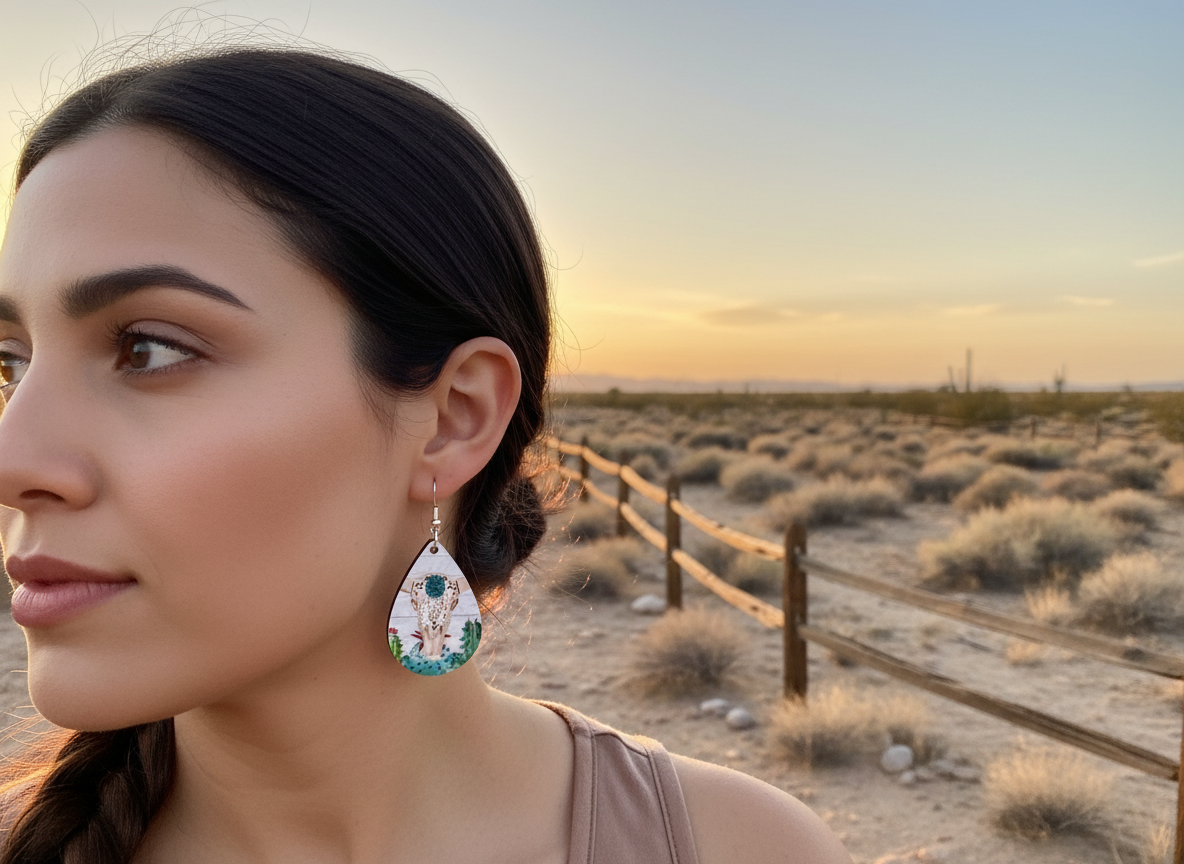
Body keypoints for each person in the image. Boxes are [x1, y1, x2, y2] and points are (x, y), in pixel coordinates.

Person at [0, 46, 851, 863]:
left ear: (453, 418)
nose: (13, 458)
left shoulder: (735, 849)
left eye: (148, 349)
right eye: (10, 364)